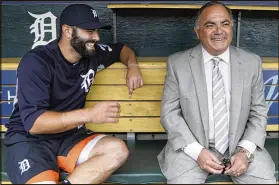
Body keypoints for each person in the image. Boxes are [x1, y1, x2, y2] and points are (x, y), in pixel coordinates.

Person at [4, 4, 143, 184]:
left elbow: (121, 49)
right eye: (90, 31)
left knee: (117, 150)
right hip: (30, 140)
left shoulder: (92, 53)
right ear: (68, 31)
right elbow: (35, 123)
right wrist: (90, 114)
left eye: (97, 31)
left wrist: (132, 66)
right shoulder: (37, 62)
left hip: (69, 137)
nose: (97, 37)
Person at [157, 1, 276, 184]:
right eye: (210, 25)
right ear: (197, 32)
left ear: (232, 28)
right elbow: (170, 113)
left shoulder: (251, 62)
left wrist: (244, 151)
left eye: (225, 24)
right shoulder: (178, 64)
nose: (219, 31)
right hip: (191, 149)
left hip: (239, 146)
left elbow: (258, 112)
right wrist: (198, 152)